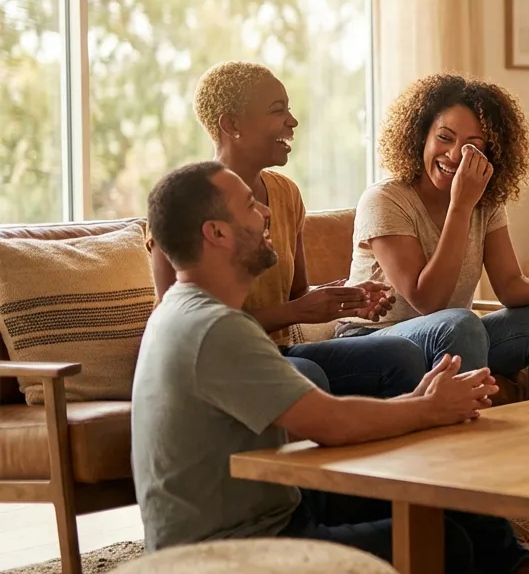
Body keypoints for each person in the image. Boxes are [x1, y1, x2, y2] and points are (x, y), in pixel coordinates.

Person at [132, 161, 529, 574]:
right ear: (215, 234)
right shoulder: (213, 327)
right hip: (230, 553)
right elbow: (329, 424)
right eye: (248, 207)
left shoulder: (201, 314)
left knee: (436, 490)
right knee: (442, 545)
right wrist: (428, 408)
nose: (264, 213)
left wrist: (417, 400)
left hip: (274, 509)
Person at [151, 61, 425, 398]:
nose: (292, 121)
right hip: (218, 364)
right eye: (277, 110)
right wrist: (294, 311)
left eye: (289, 109)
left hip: (274, 354)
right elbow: (180, 325)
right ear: (232, 124)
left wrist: (347, 300)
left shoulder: (286, 194)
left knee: (402, 356)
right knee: (305, 373)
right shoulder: (183, 201)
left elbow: (296, 295)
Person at [336, 73, 529, 399]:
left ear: (490, 156)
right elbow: (428, 301)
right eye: (444, 137)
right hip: (375, 342)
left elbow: (508, 286)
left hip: (454, 336)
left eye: (472, 147)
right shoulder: (385, 199)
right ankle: (468, 446)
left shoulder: (485, 203)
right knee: (460, 322)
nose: (454, 155)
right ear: (421, 135)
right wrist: (461, 205)